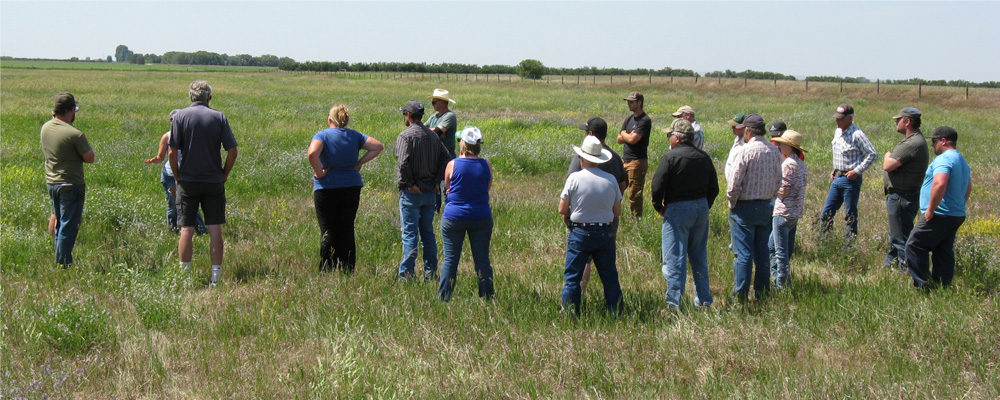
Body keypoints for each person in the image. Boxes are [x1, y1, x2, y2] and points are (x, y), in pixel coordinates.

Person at [169, 80, 238, 287]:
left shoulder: (179, 116)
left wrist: (177, 175)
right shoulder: (219, 117)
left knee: (186, 229)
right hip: (213, 181)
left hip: (188, 180)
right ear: (209, 98)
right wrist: (224, 174)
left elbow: (172, 151)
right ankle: (215, 279)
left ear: (191, 97)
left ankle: (184, 278)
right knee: (215, 228)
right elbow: (232, 151)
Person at [651, 119, 719, 308]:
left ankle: (674, 303)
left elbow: (657, 185)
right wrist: (705, 205)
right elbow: (714, 187)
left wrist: (659, 206)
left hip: (677, 210)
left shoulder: (670, 157)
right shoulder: (704, 157)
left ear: (677, 138)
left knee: (674, 259)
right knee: (699, 257)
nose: (668, 138)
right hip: (701, 209)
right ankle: (704, 300)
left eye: (669, 135)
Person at [307, 104, 384, 272]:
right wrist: (359, 163)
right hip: (351, 186)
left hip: (326, 187)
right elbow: (378, 146)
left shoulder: (322, 135)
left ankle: (327, 268)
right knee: (347, 227)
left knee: (328, 229)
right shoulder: (355, 136)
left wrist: (320, 173)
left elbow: (312, 153)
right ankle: (347, 267)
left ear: (329, 119)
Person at [559, 135, 624, 316]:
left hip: (580, 231)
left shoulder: (574, 178)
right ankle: (615, 312)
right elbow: (617, 211)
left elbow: (562, 208)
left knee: (573, 278)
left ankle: (570, 314)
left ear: (582, 158)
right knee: (610, 277)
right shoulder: (610, 179)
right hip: (605, 232)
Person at [905, 126, 971, 289]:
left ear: (944, 141)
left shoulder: (944, 159)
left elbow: (940, 182)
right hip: (955, 214)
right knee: (943, 250)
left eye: (934, 141)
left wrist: (931, 209)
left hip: (940, 214)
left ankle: (924, 286)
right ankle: (943, 286)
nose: (932, 145)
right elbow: (968, 186)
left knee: (914, 245)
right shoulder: (961, 160)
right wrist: (959, 204)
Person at [726, 114, 782, 301]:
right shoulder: (773, 151)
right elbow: (778, 181)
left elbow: (734, 184)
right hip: (766, 206)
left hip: (744, 208)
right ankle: (762, 293)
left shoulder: (745, 151)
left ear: (748, 131)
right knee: (762, 253)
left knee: (743, 255)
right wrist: (770, 198)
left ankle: (739, 297)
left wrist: (733, 203)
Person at [567, 117, 627, 294]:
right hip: (608, 218)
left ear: (591, 134)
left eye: (586, 132)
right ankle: (613, 302)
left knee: (581, 261)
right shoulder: (615, 158)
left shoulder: (580, 158)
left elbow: (570, 187)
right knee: (606, 262)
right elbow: (623, 185)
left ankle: (579, 294)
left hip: (581, 219)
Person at [395, 99, 451, 281]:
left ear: (409, 115)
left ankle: (406, 275)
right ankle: (431, 273)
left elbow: (403, 163)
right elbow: (446, 159)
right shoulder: (433, 136)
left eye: (405, 113)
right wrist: (436, 181)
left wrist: (410, 184)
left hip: (412, 194)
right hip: (430, 193)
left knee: (410, 234)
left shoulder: (405, 136)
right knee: (427, 234)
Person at [439, 126, 494, 302]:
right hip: (481, 216)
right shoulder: (486, 164)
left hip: (454, 216)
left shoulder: (452, 164)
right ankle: (487, 297)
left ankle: (444, 298)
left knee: (450, 260)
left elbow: (447, 188)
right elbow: (487, 188)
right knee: (482, 260)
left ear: (462, 143)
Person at [40, 92, 95, 265]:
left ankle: (59, 256)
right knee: (68, 225)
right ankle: (63, 263)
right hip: (70, 183)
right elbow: (90, 158)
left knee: (57, 220)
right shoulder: (75, 134)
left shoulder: (45, 127)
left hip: (52, 182)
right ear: (71, 110)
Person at [144, 109, 207, 234]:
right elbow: (161, 157)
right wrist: (154, 160)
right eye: (174, 120)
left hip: (188, 175)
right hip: (170, 175)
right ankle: (173, 230)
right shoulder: (167, 137)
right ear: (171, 121)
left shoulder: (191, 135)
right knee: (173, 204)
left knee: (191, 203)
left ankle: (201, 231)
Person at [821, 103, 877, 240]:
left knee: (849, 214)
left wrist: (857, 171)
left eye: (841, 118)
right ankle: (825, 241)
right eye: (837, 118)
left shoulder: (857, 134)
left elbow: (872, 154)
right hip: (837, 178)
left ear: (850, 119)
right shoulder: (837, 132)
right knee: (827, 212)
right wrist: (834, 170)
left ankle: (849, 245)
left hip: (850, 180)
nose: (837, 121)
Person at [882, 107, 928, 271]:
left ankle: (907, 270)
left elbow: (888, 165)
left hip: (902, 197)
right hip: (903, 196)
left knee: (901, 238)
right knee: (897, 235)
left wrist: (888, 155)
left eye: (898, 120)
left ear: (907, 122)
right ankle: (890, 266)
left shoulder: (913, 143)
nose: (896, 122)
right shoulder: (915, 141)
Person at [768, 130, 808, 289]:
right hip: (794, 213)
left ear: (789, 147)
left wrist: (770, 187)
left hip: (783, 211)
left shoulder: (788, 165)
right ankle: (778, 280)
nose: (778, 145)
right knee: (773, 247)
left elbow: (784, 190)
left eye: (781, 143)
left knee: (779, 251)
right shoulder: (800, 163)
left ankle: (781, 285)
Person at [616, 91, 651, 218]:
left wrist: (626, 134)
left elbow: (632, 139)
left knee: (634, 194)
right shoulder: (629, 119)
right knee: (617, 189)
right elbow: (619, 139)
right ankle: (614, 216)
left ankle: (635, 221)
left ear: (639, 102)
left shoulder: (645, 120)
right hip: (624, 160)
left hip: (637, 162)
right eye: (628, 102)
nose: (629, 104)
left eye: (631, 102)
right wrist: (627, 135)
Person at [427, 89, 458, 213]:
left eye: (435, 101)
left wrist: (436, 132)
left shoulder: (449, 116)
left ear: (443, 102)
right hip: (434, 155)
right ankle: (436, 211)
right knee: (434, 185)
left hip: (446, 155)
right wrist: (435, 132)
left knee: (447, 185)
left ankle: (450, 211)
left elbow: (438, 132)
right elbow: (421, 130)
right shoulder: (433, 117)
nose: (433, 104)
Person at [724, 113, 748, 184]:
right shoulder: (737, 138)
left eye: (734, 126)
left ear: (742, 127)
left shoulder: (746, 143)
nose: (732, 128)